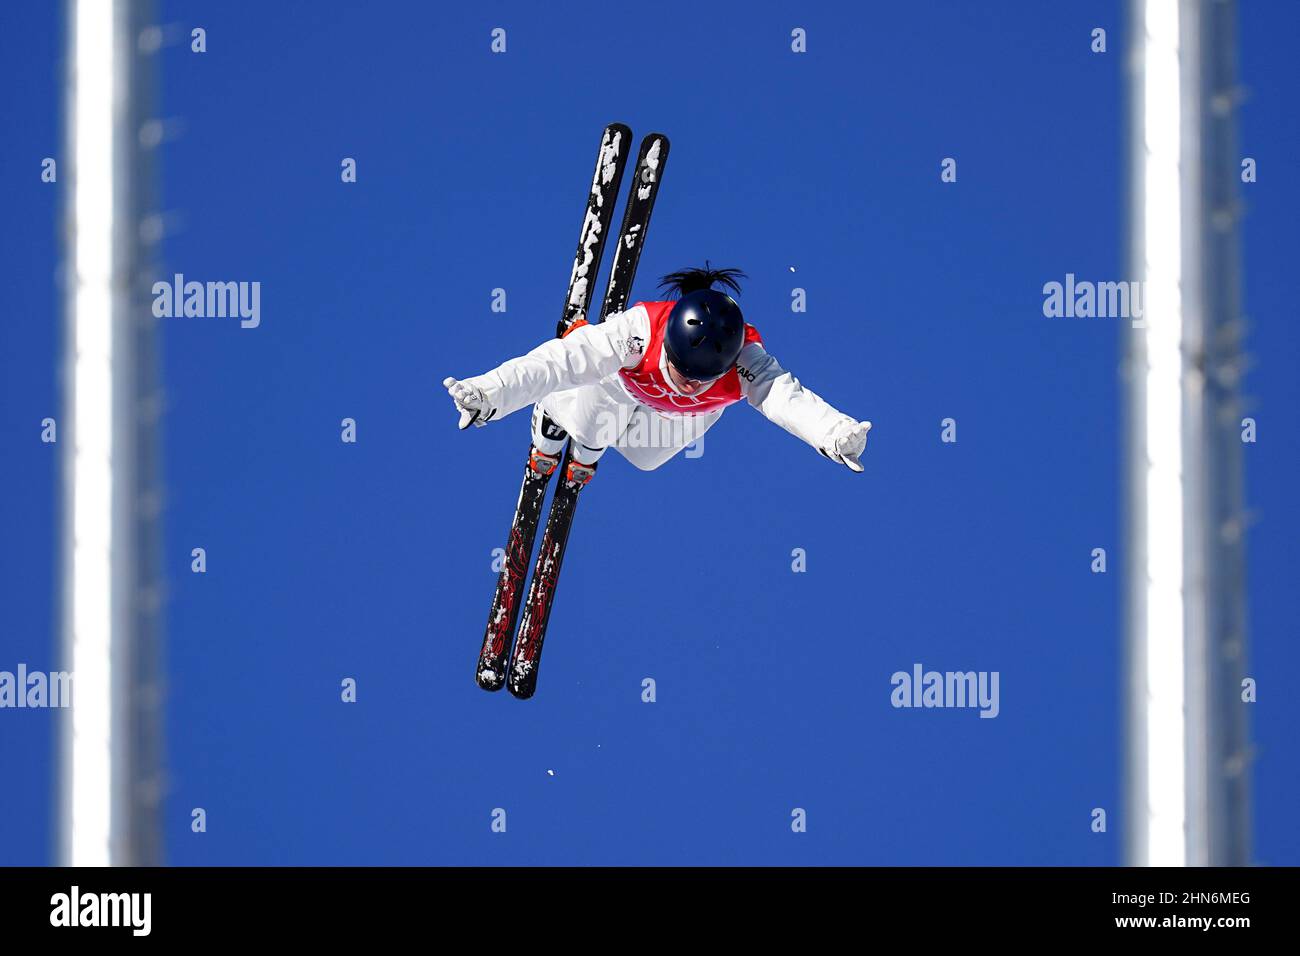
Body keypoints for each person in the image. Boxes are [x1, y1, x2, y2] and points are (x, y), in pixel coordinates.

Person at [442, 264, 871, 484]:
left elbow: (785, 398)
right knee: (591, 424)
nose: (690, 382)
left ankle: (595, 438)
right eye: (685, 369)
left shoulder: (746, 360)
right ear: (668, 343)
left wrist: (833, 434)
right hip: (622, 384)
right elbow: (556, 364)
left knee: (646, 458)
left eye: (703, 377)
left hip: (681, 416)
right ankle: (557, 417)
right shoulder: (637, 333)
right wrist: (488, 395)